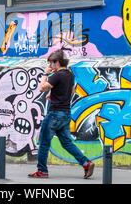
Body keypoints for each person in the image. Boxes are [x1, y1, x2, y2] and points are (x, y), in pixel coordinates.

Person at [28, 49, 95, 179]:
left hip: (54, 114)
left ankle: (42, 171)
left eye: (51, 64)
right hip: (65, 113)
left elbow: (41, 88)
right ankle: (86, 163)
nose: (50, 67)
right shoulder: (70, 75)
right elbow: (71, 91)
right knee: (67, 143)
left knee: (43, 143)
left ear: (57, 62)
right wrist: (54, 95)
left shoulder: (57, 76)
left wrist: (44, 74)